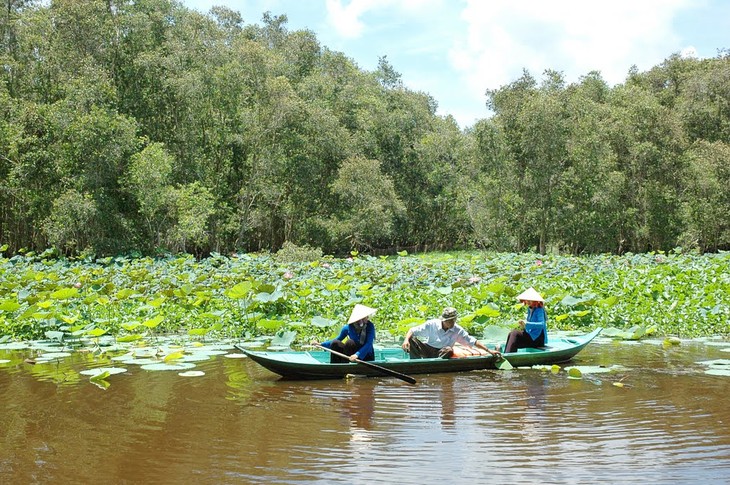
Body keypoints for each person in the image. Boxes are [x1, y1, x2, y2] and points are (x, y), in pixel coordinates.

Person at [401, 307, 500, 359]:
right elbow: (412, 330)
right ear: (443, 320)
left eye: (453, 320)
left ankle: (436, 364)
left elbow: (472, 341)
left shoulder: (457, 330)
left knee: (449, 350)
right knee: (411, 339)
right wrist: (406, 340)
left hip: (441, 352)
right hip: (427, 348)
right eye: (449, 321)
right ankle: (416, 362)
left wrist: (489, 350)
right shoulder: (431, 324)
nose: (452, 322)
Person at [503, 287, 548, 353]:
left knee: (515, 333)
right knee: (511, 333)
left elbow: (542, 324)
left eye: (530, 300)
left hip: (537, 339)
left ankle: (509, 356)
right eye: (527, 300)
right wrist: (523, 326)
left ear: (535, 300)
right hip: (531, 336)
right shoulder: (530, 309)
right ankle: (507, 354)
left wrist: (527, 324)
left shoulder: (539, 310)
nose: (528, 302)